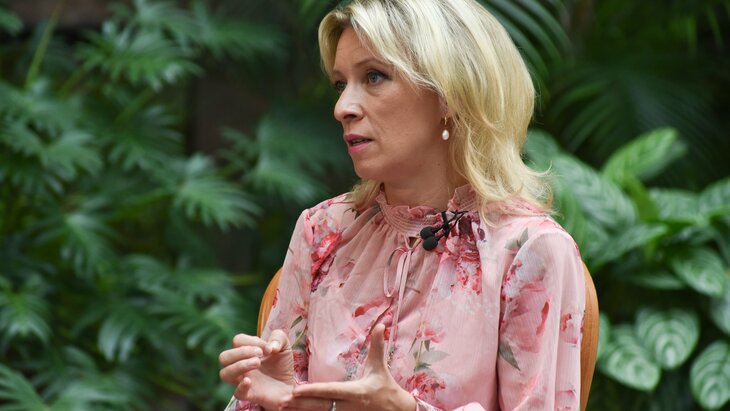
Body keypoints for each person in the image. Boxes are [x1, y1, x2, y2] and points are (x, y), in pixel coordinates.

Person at [219, 0, 586, 409]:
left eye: (374, 77)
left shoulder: (529, 251)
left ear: (450, 95)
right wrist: (277, 402)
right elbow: (273, 396)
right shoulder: (323, 231)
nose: (342, 108)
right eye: (340, 84)